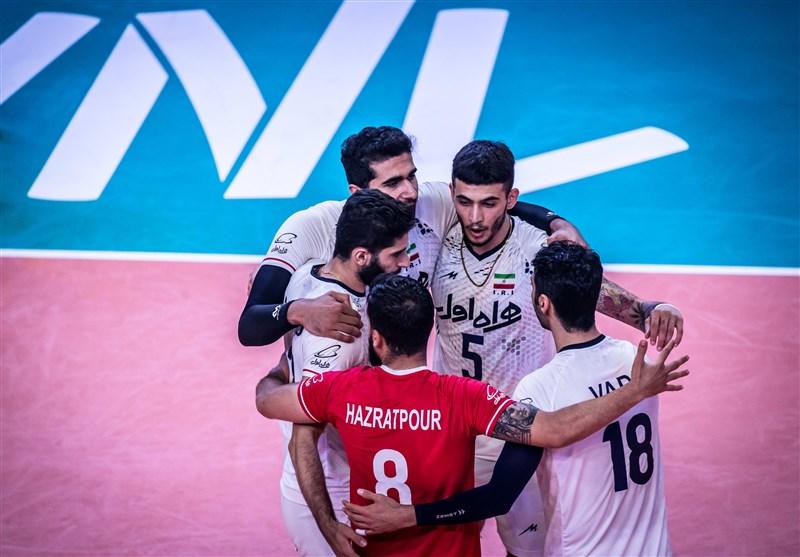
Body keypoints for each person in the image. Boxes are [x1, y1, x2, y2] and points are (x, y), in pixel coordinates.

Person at [256, 274, 689, 557]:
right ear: (429, 331)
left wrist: (280, 369)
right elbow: (553, 429)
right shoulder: (464, 397)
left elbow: (268, 401)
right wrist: (634, 391)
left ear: (377, 340)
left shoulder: (341, 391)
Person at [429, 140, 683, 556]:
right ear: (452, 195)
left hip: (521, 425)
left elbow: (581, 289)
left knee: (527, 548)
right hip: (451, 429)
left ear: (511, 199)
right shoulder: (437, 241)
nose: (475, 217)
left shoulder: (536, 246)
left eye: (489, 203)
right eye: (464, 202)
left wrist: (646, 311)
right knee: (444, 544)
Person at [238, 126, 583, 348]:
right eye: (392, 183)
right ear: (358, 192)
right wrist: (298, 311)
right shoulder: (310, 227)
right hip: (326, 401)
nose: (410, 191)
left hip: (394, 397)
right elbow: (250, 325)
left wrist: (556, 223)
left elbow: (493, 202)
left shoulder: (430, 204)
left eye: (411, 176)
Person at [276, 189, 414, 556]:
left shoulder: (307, 275)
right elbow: (303, 439)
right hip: (331, 491)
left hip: (344, 479)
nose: (405, 262)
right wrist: (330, 528)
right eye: (396, 254)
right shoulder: (340, 335)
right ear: (361, 256)